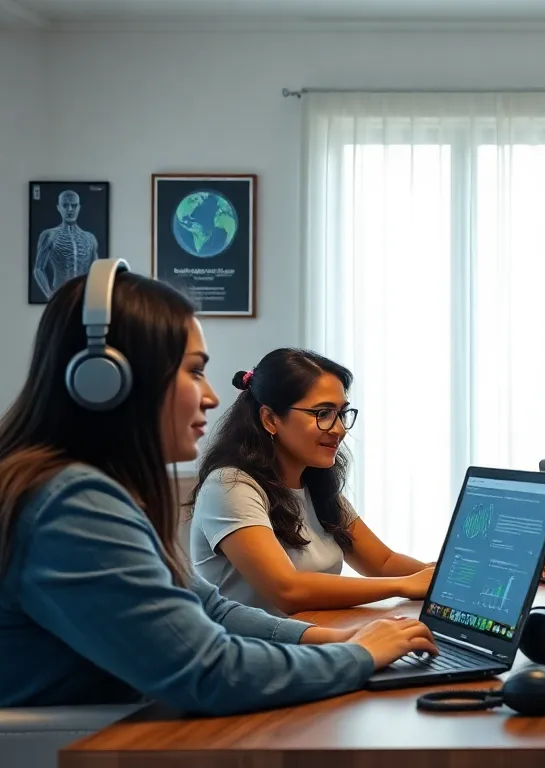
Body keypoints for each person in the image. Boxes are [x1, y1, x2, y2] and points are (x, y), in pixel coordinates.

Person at [0, 262, 435, 713]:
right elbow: (210, 672)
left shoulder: (84, 492)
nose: (210, 395)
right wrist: (359, 655)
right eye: (193, 371)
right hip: (81, 746)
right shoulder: (71, 507)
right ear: (105, 381)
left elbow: (214, 610)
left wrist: (337, 640)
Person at [190, 349, 434, 616]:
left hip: (313, 642)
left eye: (341, 413)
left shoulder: (315, 484)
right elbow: (288, 591)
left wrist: (445, 579)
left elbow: (384, 563)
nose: (339, 428)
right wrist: (403, 586)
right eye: (323, 413)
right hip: (248, 651)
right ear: (270, 419)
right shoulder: (229, 486)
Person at [32, 189, 100, 299]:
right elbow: (39, 269)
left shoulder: (90, 238)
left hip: (83, 295)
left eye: (74, 206)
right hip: (60, 292)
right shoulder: (50, 235)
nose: (70, 210)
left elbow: (96, 270)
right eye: (65, 205)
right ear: (59, 207)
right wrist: (50, 296)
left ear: (79, 207)